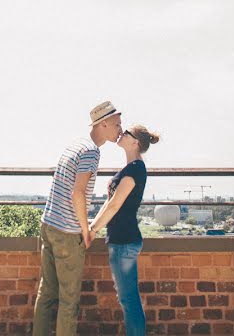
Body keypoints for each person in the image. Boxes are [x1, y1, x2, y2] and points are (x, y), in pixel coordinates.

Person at [32, 101, 122, 336]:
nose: (120, 128)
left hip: (49, 224)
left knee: (47, 293)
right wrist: (86, 230)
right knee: (69, 300)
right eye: (116, 123)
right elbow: (78, 192)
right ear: (103, 124)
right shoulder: (91, 151)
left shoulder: (76, 144)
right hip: (67, 232)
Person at [89, 124, 159, 336]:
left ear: (135, 142)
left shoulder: (135, 169)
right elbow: (109, 203)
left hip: (125, 242)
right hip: (121, 241)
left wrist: (92, 230)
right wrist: (92, 226)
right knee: (127, 298)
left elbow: (114, 205)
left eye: (126, 132)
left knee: (129, 299)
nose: (121, 133)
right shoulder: (130, 169)